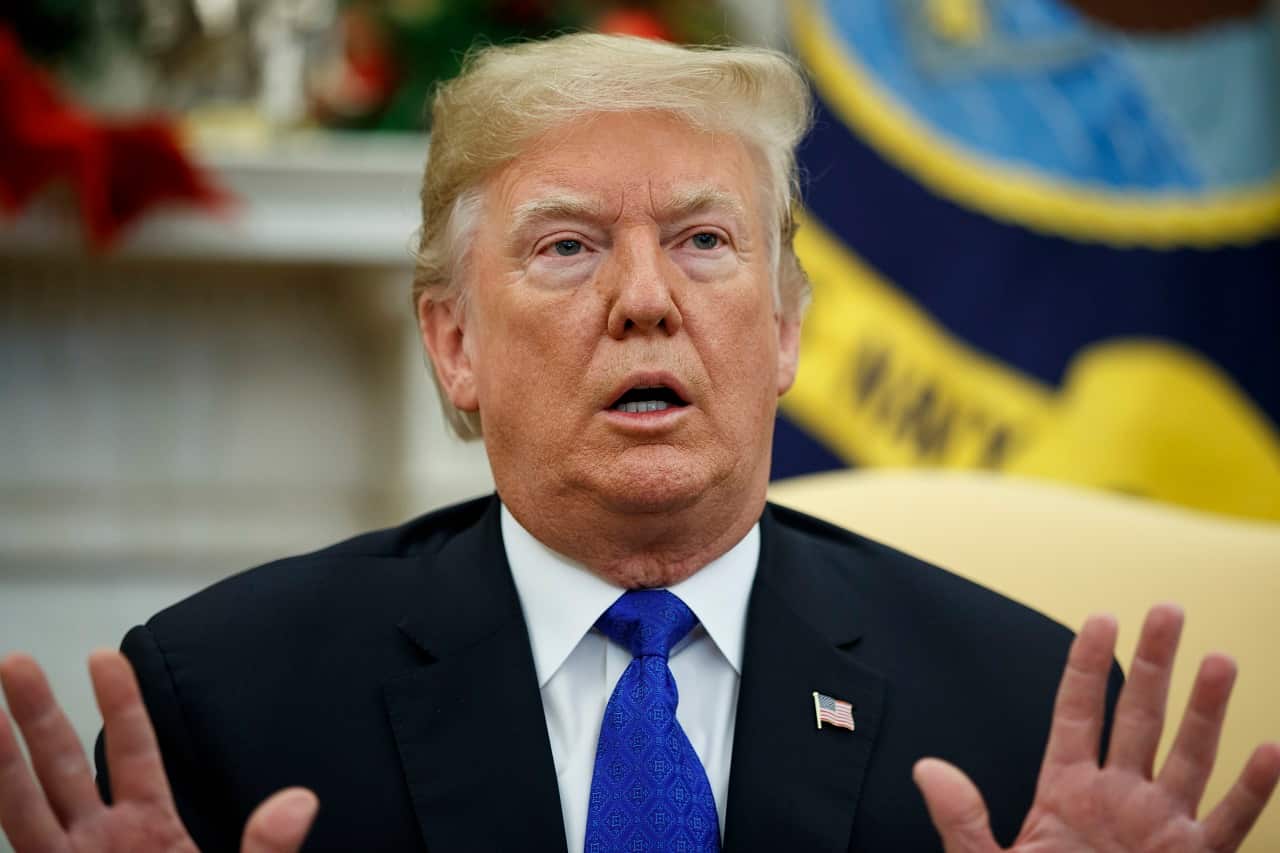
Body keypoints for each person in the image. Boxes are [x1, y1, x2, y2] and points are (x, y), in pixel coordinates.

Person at [1, 33, 1277, 853]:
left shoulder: (1025, 722)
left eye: (705, 240)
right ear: (453, 344)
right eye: (565, 246)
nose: (644, 296)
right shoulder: (221, 708)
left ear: (783, 331)